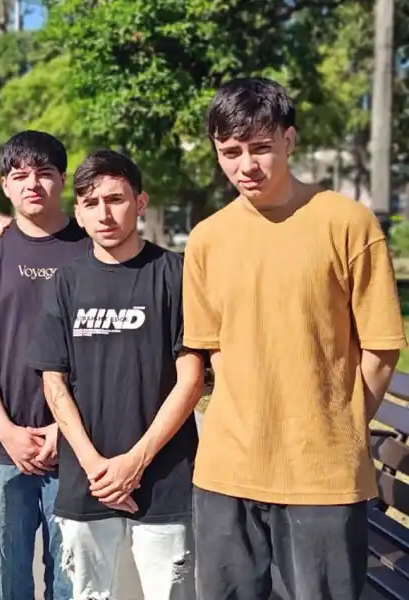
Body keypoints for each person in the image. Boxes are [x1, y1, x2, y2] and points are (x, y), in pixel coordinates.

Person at [183, 77, 406, 600]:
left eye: (260, 147)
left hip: (321, 475)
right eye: (230, 151)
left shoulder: (347, 223)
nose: (246, 166)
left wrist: (341, 422)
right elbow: (213, 351)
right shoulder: (207, 239)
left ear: (290, 139)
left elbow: (380, 346)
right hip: (226, 471)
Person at [29, 150, 203, 600]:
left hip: (165, 477)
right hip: (87, 479)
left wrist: (135, 462)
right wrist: (95, 467)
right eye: (90, 202)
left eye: (115, 199)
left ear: (140, 202)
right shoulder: (64, 283)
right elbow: (54, 383)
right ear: (78, 214)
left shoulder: (174, 275)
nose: (104, 213)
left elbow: (191, 379)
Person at [0, 130, 88, 600]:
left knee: (72, 586)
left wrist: (65, 428)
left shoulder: (92, 247)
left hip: (77, 448)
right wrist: (7, 430)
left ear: (63, 180)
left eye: (45, 173)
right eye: (20, 175)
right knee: (1, 585)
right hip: (0, 449)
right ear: (5, 185)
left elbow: (104, 350)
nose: (33, 183)